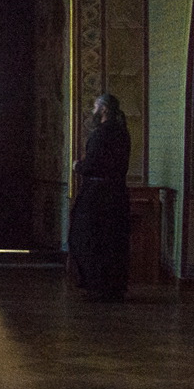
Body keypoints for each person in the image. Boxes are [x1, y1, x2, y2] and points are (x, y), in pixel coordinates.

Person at [68, 93, 131, 301]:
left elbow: (93, 164)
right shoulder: (123, 132)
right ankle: (113, 288)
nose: (93, 111)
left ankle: (97, 286)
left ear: (104, 109)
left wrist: (78, 166)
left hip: (97, 196)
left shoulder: (101, 134)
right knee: (113, 242)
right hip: (117, 194)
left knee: (90, 239)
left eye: (95, 107)